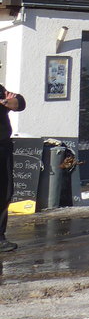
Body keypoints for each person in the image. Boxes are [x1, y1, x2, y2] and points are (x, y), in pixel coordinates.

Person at [1, 83, 27, 253]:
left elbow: (20, 102)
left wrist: (11, 103)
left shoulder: (0, 90)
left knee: (4, 191)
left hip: (2, 148)